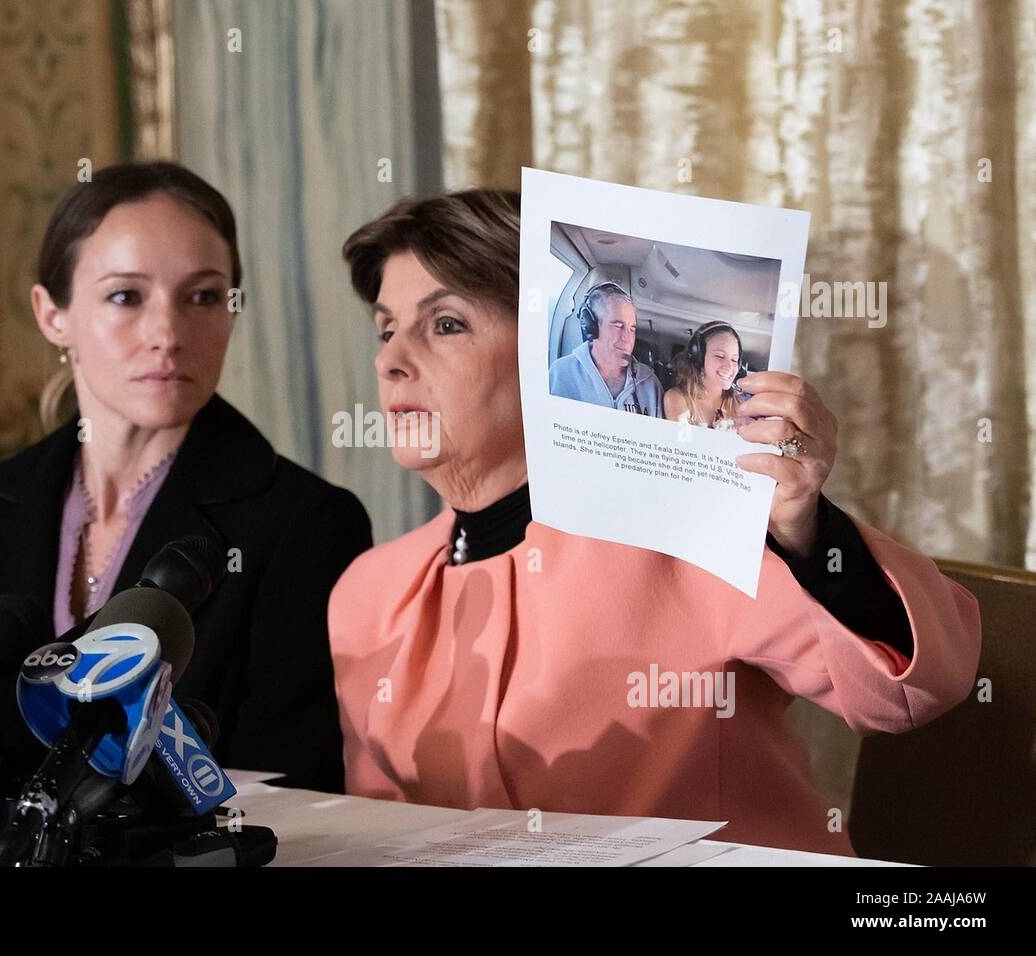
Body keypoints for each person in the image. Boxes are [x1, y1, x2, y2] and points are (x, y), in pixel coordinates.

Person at [330, 189, 981, 854]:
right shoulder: (367, 593)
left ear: (534, 356)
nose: (390, 360)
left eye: (444, 326)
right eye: (385, 330)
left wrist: (806, 530)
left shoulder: (687, 527)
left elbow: (913, 690)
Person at [0, 161, 372, 792]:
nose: (168, 334)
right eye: (125, 296)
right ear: (52, 314)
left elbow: (294, 789)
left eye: (203, 296)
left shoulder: (304, 522)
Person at [548, 282, 663, 416]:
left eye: (632, 329)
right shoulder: (561, 373)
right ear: (591, 327)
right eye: (618, 326)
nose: (628, 338)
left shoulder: (651, 384)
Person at [664, 320, 746, 431]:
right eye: (720, 356)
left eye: (734, 359)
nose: (729, 367)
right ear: (699, 359)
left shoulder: (740, 406)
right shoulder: (677, 398)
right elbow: (683, 445)